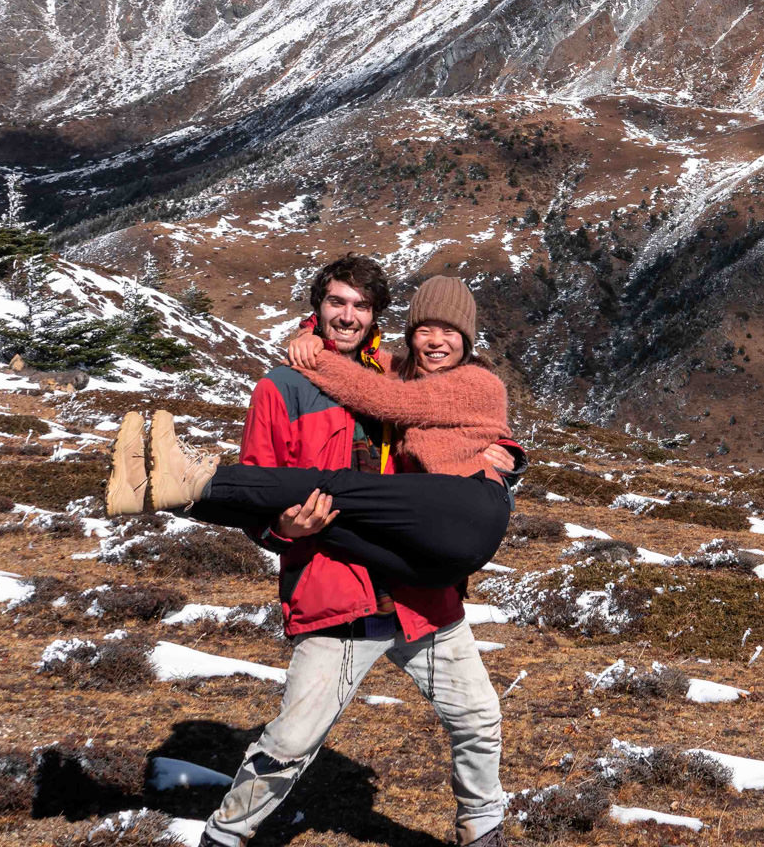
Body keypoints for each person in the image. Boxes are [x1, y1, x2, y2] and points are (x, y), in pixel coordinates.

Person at [104, 268, 515, 846]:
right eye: (336, 303)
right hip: (338, 592)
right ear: (317, 307)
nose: (348, 316)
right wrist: (281, 527)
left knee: (477, 718)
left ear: (377, 319)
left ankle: (483, 833)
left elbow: (447, 415)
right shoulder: (280, 388)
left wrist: (507, 455)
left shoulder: (394, 374)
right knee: (291, 742)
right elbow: (263, 500)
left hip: (419, 597)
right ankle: (225, 836)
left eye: (362, 307)